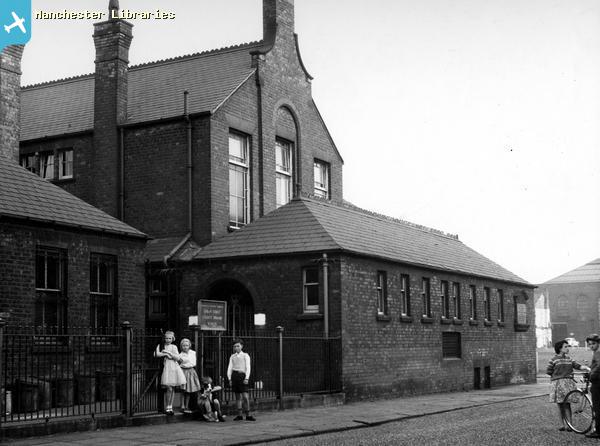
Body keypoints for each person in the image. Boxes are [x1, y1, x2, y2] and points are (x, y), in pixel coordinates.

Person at [546, 339, 589, 431]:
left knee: (567, 404)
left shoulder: (569, 359)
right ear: (560, 349)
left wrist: (585, 367)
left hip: (568, 383)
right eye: (565, 347)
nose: (567, 348)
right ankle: (562, 424)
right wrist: (558, 377)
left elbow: (577, 365)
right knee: (560, 404)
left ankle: (569, 424)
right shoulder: (553, 360)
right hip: (557, 384)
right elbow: (548, 371)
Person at [154, 330, 186, 415]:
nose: (168, 340)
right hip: (166, 368)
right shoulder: (161, 345)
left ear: (173, 338)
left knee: (172, 388)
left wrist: (168, 353)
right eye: (166, 338)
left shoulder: (174, 347)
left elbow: (177, 358)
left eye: (170, 338)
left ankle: (170, 407)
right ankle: (167, 407)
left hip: (174, 368)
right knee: (169, 388)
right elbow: (156, 354)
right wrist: (165, 355)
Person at [227, 338, 255, 421]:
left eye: (238, 346)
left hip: (242, 376)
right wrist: (229, 379)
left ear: (242, 346)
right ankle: (239, 415)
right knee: (238, 397)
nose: (236, 348)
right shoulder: (232, 356)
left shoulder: (245, 355)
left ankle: (248, 415)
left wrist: (247, 378)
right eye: (235, 346)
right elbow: (230, 368)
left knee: (245, 397)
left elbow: (248, 367)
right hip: (235, 376)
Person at [178, 338, 201, 414]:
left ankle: (187, 406)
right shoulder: (180, 355)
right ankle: (182, 405)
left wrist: (186, 363)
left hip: (191, 371)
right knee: (183, 390)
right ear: (181, 346)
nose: (185, 347)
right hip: (183, 371)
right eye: (183, 345)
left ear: (189, 346)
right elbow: (180, 364)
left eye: (187, 345)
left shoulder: (193, 353)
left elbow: (193, 363)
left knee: (188, 390)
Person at [586, 334, 600, 438]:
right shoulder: (596, 352)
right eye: (589, 344)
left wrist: (591, 374)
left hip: (597, 382)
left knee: (597, 407)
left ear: (598, 343)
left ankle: (598, 431)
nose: (591, 346)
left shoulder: (598, 352)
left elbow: (599, 365)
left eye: (593, 343)